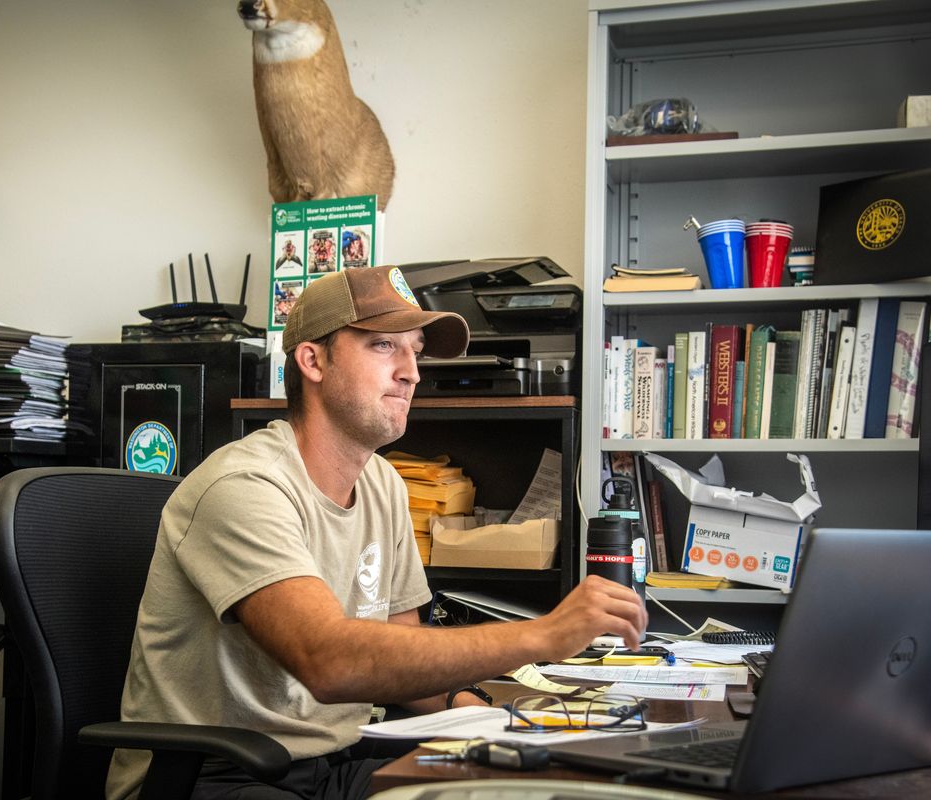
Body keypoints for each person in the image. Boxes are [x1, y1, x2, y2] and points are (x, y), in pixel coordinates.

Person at [106, 265, 647, 800]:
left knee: (542, 784)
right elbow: (329, 660)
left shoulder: (383, 482)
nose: (412, 371)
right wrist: (543, 635)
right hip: (219, 774)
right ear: (313, 360)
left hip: (335, 758)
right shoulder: (245, 486)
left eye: (415, 349)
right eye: (385, 346)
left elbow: (402, 657)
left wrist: (490, 716)